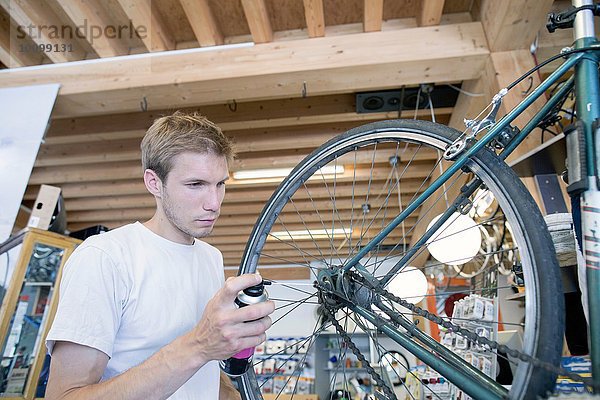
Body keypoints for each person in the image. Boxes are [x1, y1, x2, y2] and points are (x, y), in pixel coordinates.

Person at [45, 111, 275, 399]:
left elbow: (201, 373)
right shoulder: (104, 257)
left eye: (220, 184)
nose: (214, 203)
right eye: (196, 185)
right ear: (154, 183)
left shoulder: (210, 258)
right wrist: (199, 345)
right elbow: (63, 396)